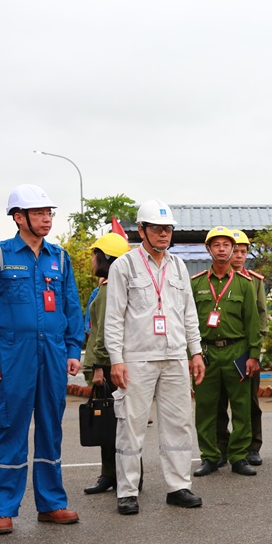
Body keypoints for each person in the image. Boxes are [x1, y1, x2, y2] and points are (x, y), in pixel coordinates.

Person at [0, 184, 83, 535]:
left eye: (49, 213)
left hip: (51, 352)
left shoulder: (59, 257)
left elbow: (71, 308)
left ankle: (51, 503)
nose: (47, 219)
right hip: (12, 354)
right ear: (19, 218)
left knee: (51, 427)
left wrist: (72, 349)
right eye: (39, 213)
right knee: (11, 427)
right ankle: (2, 509)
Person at [105, 199, 206, 515]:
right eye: (158, 228)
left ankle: (178, 486)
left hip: (175, 356)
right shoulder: (124, 266)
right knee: (131, 425)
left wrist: (196, 351)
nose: (164, 234)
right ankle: (127, 491)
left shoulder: (177, 266)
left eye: (168, 229)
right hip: (137, 358)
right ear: (142, 230)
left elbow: (189, 313)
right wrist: (116, 359)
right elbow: (114, 317)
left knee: (178, 424)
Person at [190, 226, 263, 478]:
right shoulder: (196, 283)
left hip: (237, 351)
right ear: (208, 249)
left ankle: (239, 457)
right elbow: (188, 320)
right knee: (206, 408)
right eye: (216, 245)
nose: (222, 249)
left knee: (242, 407)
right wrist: (192, 354)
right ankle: (210, 456)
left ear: (233, 250)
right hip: (207, 352)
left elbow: (253, 322)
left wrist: (253, 355)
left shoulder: (245, 284)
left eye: (226, 245)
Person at [215, 229, 269, 468]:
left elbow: (260, 315)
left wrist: (255, 350)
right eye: (235, 250)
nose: (238, 255)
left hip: (247, 351)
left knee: (249, 402)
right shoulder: (211, 280)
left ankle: (252, 446)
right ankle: (222, 447)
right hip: (220, 350)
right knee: (219, 401)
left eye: (242, 251)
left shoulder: (254, 281)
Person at [83, 232, 131, 495]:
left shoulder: (112, 287)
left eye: (95, 255)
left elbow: (105, 332)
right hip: (111, 363)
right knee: (109, 424)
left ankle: (123, 476)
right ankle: (109, 474)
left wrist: (99, 367)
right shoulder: (108, 284)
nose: (92, 260)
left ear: (106, 258)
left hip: (110, 365)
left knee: (120, 425)